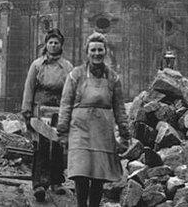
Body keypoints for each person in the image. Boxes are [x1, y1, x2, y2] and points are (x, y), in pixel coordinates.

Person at [57, 32, 130, 207]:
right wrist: (62, 131)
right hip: (79, 129)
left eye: (100, 50)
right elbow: (66, 103)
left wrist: (125, 132)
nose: (97, 53)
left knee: (99, 175)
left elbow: (119, 107)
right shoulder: (76, 74)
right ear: (87, 53)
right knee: (81, 173)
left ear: (105, 52)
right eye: (93, 50)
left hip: (103, 131)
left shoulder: (113, 78)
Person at [21, 28, 73, 202]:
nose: (53, 45)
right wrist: (27, 112)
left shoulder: (67, 67)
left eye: (56, 42)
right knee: (40, 145)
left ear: (61, 45)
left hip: (59, 110)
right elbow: (29, 89)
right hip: (40, 109)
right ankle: (38, 184)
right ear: (46, 44)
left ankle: (56, 181)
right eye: (50, 42)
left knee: (58, 146)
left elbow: (72, 92)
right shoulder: (37, 65)